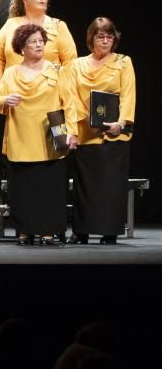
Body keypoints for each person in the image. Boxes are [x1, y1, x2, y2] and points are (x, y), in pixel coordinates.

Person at [0, 23, 78, 246]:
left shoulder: (57, 70)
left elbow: (69, 104)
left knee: (49, 189)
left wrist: (73, 133)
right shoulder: (10, 73)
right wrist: (5, 101)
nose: (39, 45)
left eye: (41, 41)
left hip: (49, 139)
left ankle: (48, 232)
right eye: (33, 42)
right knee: (22, 190)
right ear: (22, 47)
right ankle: (24, 232)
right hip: (20, 137)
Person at [66, 18, 136, 245]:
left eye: (109, 37)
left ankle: (109, 232)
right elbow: (72, 97)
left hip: (114, 135)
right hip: (86, 134)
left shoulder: (123, 62)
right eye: (100, 36)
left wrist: (122, 123)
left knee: (111, 187)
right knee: (84, 187)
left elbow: (128, 94)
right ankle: (81, 231)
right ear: (91, 38)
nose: (105, 41)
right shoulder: (77, 65)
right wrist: (78, 125)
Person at [0, 0, 77, 95]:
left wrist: (64, 90)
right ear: (24, 0)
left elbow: (70, 62)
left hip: (48, 93)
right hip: (14, 93)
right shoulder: (11, 24)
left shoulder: (58, 26)